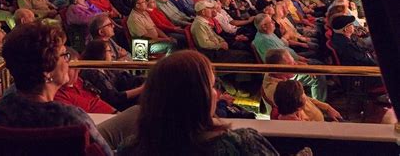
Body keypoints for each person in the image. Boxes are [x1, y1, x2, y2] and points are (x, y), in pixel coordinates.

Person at [118, 50, 278, 155]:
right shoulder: (243, 144)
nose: (216, 93)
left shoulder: (130, 149)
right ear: (199, 97)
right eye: (212, 85)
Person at [0, 22, 112, 155]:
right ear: (46, 71)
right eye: (64, 55)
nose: (68, 62)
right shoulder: (71, 119)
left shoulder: (5, 104)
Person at [262, 49, 340, 119]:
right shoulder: (279, 90)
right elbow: (298, 122)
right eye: (290, 63)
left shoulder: (279, 79)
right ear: (277, 69)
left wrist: (326, 107)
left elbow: (303, 97)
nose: (295, 65)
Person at [81, 40, 145, 111]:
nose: (112, 54)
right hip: (116, 109)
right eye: (109, 51)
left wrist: (147, 80)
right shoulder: (92, 73)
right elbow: (114, 98)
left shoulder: (105, 69)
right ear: (100, 53)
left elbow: (124, 79)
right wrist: (141, 89)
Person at [55, 47, 117, 114]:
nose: (78, 70)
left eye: (78, 66)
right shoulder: (59, 94)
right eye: (73, 66)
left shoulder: (79, 81)